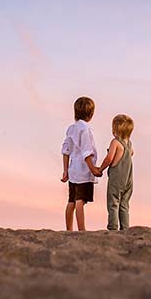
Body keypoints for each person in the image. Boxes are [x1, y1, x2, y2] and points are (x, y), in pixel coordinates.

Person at [60, 96, 99, 231]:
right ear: (91, 115)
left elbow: (65, 150)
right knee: (79, 201)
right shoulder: (85, 130)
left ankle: (69, 229)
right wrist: (93, 168)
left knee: (71, 201)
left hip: (72, 171)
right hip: (83, 171)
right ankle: (81, 230)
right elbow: (87, 152)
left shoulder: (71, 129)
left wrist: (65, 171)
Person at [96, 114, 135, 230]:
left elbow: (109, 158)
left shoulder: (115, 143)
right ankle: (125, 228)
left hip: (116, 179)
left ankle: (113, 227)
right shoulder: (129, 143)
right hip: (128, 179)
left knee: (113, 202)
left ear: (116, 131)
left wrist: (100, 169)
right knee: (124, 204)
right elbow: (132, 153)